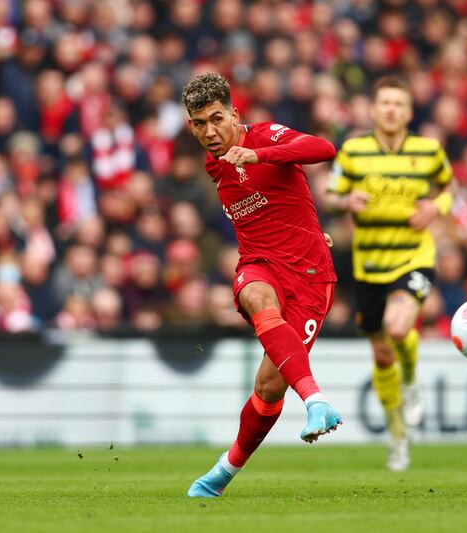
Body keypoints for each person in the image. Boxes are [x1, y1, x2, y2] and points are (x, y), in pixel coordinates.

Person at [181, 72, 342, 497]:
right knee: (254, 294)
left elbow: (325, 148)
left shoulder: (266, 134)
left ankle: (224, 470)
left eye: (216, 119)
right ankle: (317, 401)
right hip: (260, 265)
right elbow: (267, 215)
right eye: (199, 124)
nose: (209, 132)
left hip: (310, 277)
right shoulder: (212, 164)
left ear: (235, 114)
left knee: (269, 387)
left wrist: (262, 156)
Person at [324, 77, 453, 471]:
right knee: (381, 354)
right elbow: (328, 196)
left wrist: (436, 208)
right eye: (385, 103)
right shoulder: (353, 151)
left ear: (409, 112)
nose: (392, 110)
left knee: (399, 328)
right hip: (369, 266)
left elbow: (450, 188)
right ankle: (398, 436)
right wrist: (345, 200)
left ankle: (411, 382)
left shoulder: (428, 151)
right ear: (374, 110)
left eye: (399, 103)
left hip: (413, 256)